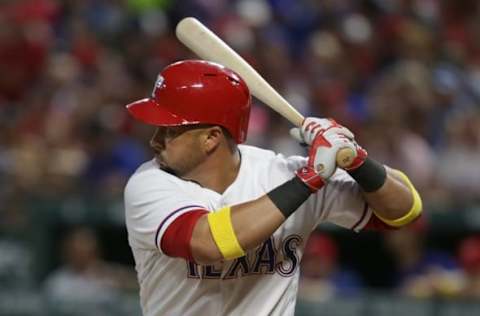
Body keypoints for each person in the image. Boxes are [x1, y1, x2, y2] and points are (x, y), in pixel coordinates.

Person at [123, 59, 422, 315]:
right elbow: (211, 242)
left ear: (211, 138)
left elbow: (404, 211)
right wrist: (309, 179)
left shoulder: (280, 172)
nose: (155, 140)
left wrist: (356, 158)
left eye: (170, 130)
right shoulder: (149, 184)